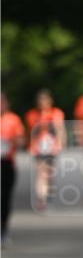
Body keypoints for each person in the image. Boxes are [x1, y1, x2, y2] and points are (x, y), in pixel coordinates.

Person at [25, 89, 66, 211]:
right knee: (41, 173)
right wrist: (30, 146)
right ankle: (41, 198)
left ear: (50, 101)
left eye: (45, 100)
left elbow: (60, 130)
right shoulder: (32, 115)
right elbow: (30, 132)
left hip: (52, 148)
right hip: (38, 148)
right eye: (40, 100)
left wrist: (61, 144)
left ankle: (48, 193)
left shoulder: (57, 113)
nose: (42, 102)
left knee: (50, 173)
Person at [1, 92, 25, 244]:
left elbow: (21, 140)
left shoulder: (13, 119)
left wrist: (12, 142)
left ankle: (3, 229)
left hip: (7, 164)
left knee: (4, 199)